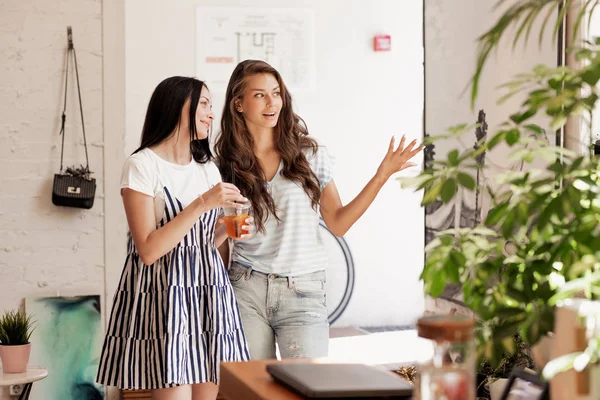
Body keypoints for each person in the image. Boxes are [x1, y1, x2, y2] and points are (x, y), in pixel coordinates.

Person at [214, 60, 422, 360]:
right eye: (260, 95)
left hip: (303, 290)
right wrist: (215, 293)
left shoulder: (308, 155)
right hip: (245, 287)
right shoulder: (224, 165)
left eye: (276, 93)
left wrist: (381, 175)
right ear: (238, 104)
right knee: (252, 388)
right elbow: (221, 242)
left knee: (306, 384)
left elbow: (337, 223)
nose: (272, 102)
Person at [96, 76, 250, 400]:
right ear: (179, 106)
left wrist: (230, 229)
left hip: (208, 290)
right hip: (166, 294)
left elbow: (202, 242)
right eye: (204, 104)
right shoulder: (142, 165)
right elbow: (149, 250)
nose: (211, 114)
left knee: (211, 390)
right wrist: (205, 203)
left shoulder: (207, 169)